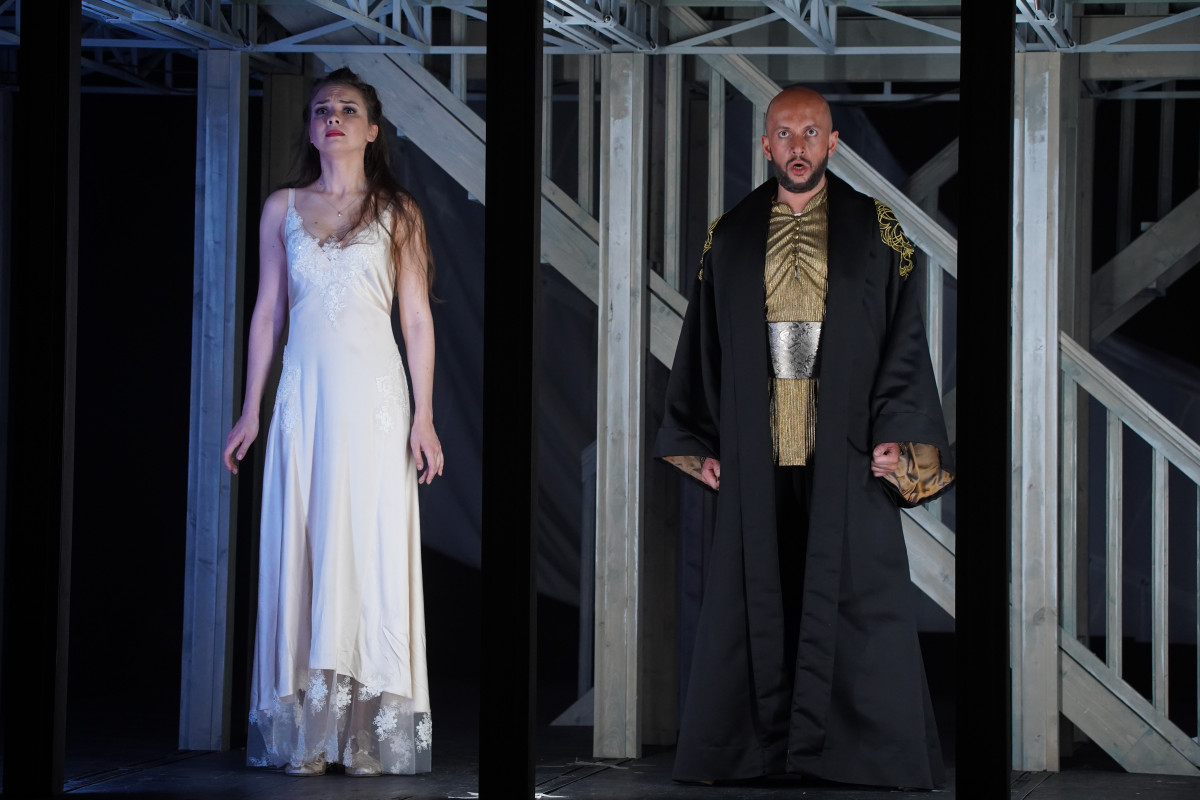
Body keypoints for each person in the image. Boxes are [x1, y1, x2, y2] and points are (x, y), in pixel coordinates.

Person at [655, 86, 955, 789]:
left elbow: (904, 337)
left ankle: (859, 755)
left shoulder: (876, 229)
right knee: (755, 595)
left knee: (856, 597)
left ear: (832, 143)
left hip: (845, 442)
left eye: (811, 132)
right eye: (784, 133)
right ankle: (755, 752)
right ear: (766, 145)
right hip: (755, 443)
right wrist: (702, 441)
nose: (797, 146)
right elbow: (705, 344)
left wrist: (896, 431)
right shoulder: (729, 235)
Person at [223, 67, 443, 777]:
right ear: (312, 128)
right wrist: (250, 408)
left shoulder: (398, 211)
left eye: (349, 109)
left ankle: (366, 734)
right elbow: (267, 313)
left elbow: (416, 318)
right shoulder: (282, 207)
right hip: (306, 401)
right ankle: (311, 736)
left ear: (372, 129)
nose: (334, 117)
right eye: (323, 109)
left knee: (368, 549)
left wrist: (425, 417)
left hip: (375, 403)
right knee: (309, 542)